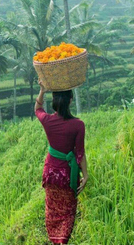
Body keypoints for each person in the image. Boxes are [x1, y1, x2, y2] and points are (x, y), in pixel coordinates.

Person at [35, 79, 88, 245]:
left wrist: (42, 90)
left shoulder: (48, 121)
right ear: (70, 100)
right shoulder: (78, 125)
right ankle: (63, 240)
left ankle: (54, 240)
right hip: (67, 176)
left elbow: (37, 109)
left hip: (50, 174)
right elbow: (80, 153)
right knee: (67, 211)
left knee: (52, 210)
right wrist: (85, 175)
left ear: (55, 102)